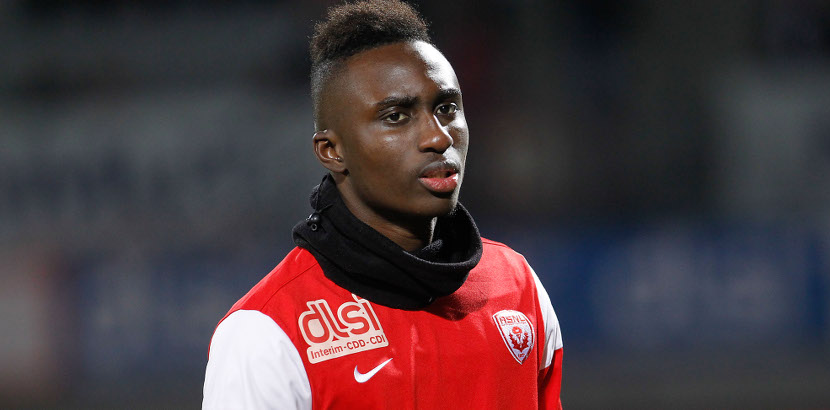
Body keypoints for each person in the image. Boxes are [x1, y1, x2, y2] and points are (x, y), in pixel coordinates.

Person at [202, 1, 563, 408]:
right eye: (396, 116)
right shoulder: (266, 332)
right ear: (332, 150)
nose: (438, 137)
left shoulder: (518, 287)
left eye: (446, 108)